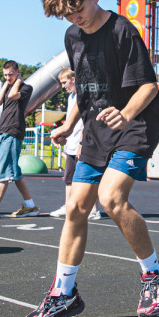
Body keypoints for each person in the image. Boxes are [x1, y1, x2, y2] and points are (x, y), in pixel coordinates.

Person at [25, 0, 159, 317]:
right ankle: (64, 294)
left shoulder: (123, 30)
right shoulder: (72, 37)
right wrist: (68, 123)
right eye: (66, 14)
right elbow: (85, 87)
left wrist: (124, 115)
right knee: (75, 207)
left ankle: (155, 276)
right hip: (96, 126)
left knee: (111, 199)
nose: (75, 17)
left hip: (136, 122)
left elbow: (148, 87)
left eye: (79, 8)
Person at [0, 61, 39, 220]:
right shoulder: (8, 87)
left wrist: (17, 82)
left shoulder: (25, 88)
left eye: (10, 74)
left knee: (3, 168)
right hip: (3, 130)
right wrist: (4, 84)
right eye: (5, 75)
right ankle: (30, 206)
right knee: (14, 171)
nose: (8, 77)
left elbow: (12, 96)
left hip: (13, 130)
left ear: (17, 72)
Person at [50, 68, 102, 221]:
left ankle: (94, 209)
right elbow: (70, 123)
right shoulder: (70, 98)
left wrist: (81, 142)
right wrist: (65, 139)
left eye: (65, 82)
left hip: (83, 143)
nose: (63, 86)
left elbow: (87, 121)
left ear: (73, 79)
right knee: (69, 178)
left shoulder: (84, 96)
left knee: (88, 178)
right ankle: (68, 206)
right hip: (72, 143)